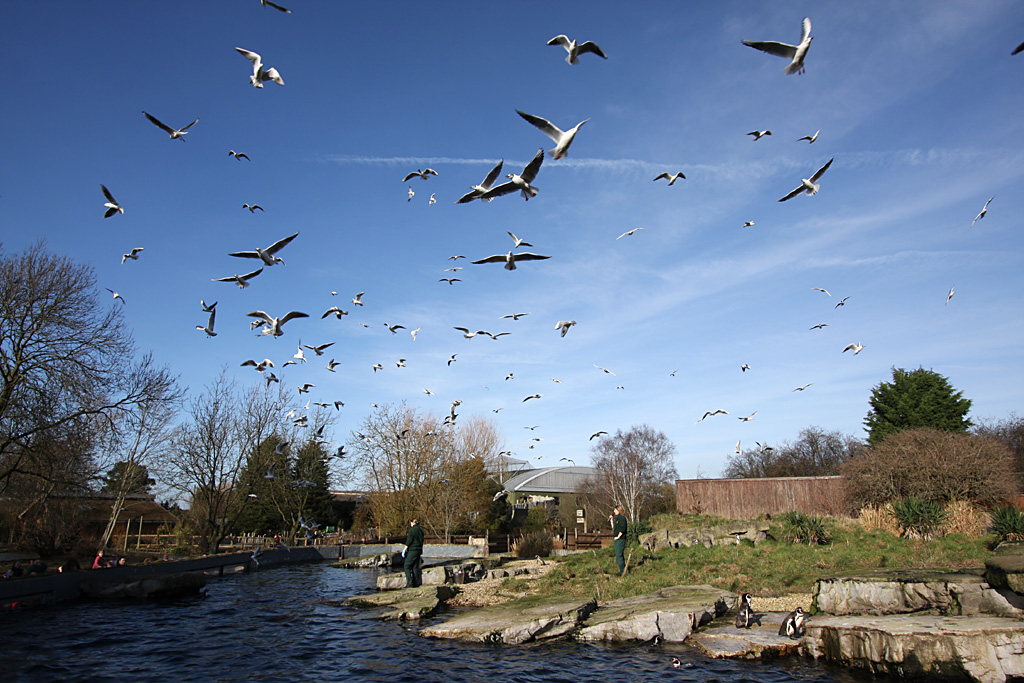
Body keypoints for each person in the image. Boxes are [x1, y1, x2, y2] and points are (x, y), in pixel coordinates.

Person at [402, 517, 424, 588]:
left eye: (411, 523)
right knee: (415, 567)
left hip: (413, 550)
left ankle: (409, 583)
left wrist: (405, 549)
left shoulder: (412, 530)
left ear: (413, 522)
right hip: (419, 550)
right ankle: (416, 583)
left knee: (407, 566)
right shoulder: (420, 531)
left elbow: (409, 540)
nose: (410, 524)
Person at [611, 505, 628, 576]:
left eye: (615, 510)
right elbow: (614, 528)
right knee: (619, 555)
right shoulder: (616, 518)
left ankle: (623, 572)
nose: (614, 511)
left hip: (620, 539)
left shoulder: (622, 518)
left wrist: (618, 537)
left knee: (619, 555)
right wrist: (611, 520)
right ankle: (623, 570)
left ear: (618, 510)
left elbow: (622, 528)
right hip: (616, 539)